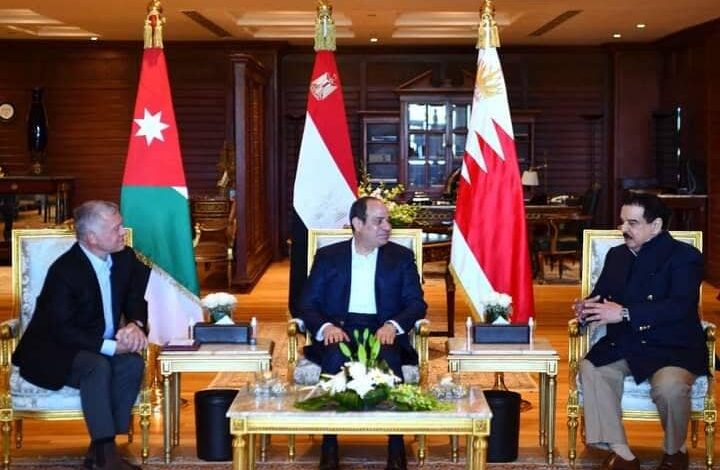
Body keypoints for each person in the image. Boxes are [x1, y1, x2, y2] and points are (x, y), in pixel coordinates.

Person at [12, 200, 150, 470]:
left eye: (121, 225)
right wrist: (111, 347)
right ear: (92, 238)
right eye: (116, 228)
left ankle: (100, 450)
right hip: (54, 350)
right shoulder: (65, 271)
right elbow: (62, 330)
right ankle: (107, 458)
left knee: (132, 364)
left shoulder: (124, 258)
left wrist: (135, 324)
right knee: (96, 366)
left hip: (95, 346)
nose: (123, 232)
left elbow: (136, 298)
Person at [574, 193, 707, 470]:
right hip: (627, 342)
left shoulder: (685, 256)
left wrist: (625, 313)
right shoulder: (617, 255)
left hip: (673, 346)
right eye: (622, 222)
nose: (623, 229)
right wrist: (588, 309)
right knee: (592, 368)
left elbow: (680, 307)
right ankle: (622, 453)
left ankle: (675, 451)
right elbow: (602, 295)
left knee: (670, 387)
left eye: (632, 223)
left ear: (656, 226)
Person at [299, 196, 427, 470]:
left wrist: (393, 326)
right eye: (379, 221)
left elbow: (416, 303)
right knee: (334, 359)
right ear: (357, 224)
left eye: (388, 221)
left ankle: (396, 446)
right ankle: (329, 444)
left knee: (390, 360)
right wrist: (326, 327)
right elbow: (307, 304)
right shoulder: (329, 257)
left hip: (383, 329)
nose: (387, 227)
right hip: (341, 329)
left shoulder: (401, 257)